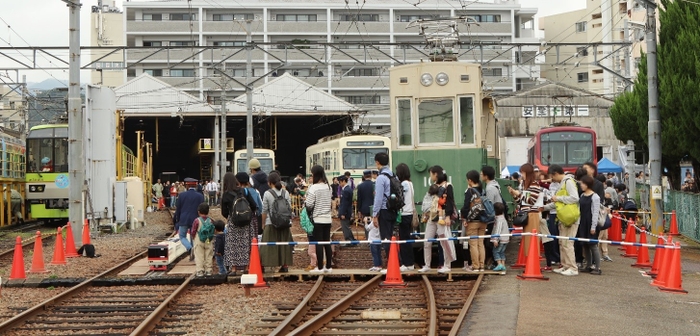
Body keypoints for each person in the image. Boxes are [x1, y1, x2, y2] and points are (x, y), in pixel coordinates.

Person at [542, 165, 580, 276]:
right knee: (562, 243)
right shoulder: (563, 183)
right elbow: (557, 203)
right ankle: (565, 265)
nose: (552, 180)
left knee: (568, 243)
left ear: (556, 173)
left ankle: (573, 268)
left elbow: (575, 198)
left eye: (552, 177)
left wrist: (558, 198)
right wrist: (544, 208)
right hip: (564, 217)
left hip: (571, 217)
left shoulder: (568, 181)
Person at [419, 166, 457, 274]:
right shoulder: (434, 186)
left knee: (444, 241)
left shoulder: (448, 186)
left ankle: (447, 265)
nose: (430, 176)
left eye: (431, 174)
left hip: (442, 217)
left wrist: (448, 216)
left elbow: (449, 202)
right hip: (432, 216)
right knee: (427, 241)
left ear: (436, 174)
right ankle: (427, 265)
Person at [508, 163, 550, 257]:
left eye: (522, 173)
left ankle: (533, 262)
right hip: (527, 214)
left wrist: (518, 194)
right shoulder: (526, 185)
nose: (521, 175)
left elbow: (531, 201)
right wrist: (514, 195)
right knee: (528, 240)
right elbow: (523, 202)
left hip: (532, 214)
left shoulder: (534, 185)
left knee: (531, 240)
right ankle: (529, 262)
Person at [222, 172, 259, 275]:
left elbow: (224, 212)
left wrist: (232, 217)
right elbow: (254, 206)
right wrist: (246, 215)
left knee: (233, 245)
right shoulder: (244, 191)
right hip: (247, 223)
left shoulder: (226, 194)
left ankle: (233, 269)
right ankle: (246, 267)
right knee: (246, 244)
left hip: (234, 223)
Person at [261, 172, 294, 273]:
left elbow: (264, 211)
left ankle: (266, 265)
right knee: (284, 244)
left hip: (271, 222)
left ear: (270, 182)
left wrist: (263, 223)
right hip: (284, 223)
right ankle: (284, 265)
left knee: (267, 245)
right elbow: (289, 208)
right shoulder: (286, 193)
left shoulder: (267, 193)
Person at [306, 165, 334, 273]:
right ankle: (328, 266)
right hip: (328, 219)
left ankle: (320, 268)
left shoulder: (314, 188)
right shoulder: (328, 187)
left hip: (318, 219)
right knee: (327, 242)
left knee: (318, 243)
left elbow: (309, 204)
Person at [372, 152, 397, 259]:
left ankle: (392, 264)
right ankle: (396, 262)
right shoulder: (393, 175)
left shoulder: (381, 177)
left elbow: (378, 198)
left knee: (386, 239)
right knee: (392, 237)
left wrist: (374, 214)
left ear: (377, 162)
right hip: (393, 209)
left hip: (384, 210)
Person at [461, 170, 487, 272]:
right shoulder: (482, 190)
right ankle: (481, 266)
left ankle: (475, 266)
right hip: (483, 220)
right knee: (481, 243)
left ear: (470, 180)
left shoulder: (470, 191)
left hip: (472, 221)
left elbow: (466, 206)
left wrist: (465, 218)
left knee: (473, 244)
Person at [578, 175, 602, 275]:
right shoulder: (582, 195)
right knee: (585, 245)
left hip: (590, 222)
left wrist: (593, 226)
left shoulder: (595, 196)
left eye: (583, 183)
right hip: (583, 222)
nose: (581, 185)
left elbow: (595, 212)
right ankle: (588, 265)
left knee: (593, 245)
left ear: (588, 184)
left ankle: (598, 267)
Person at [174, 178, 204, 255]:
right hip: (196, 219)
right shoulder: (200, 196)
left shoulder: (181, 195)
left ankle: (189, 248)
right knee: (193, 236)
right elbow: (203, 208)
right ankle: (194, 252)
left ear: (187, 186)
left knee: (182, 236)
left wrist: (177, 220)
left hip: (184, 219)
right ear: (196, 185)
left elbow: (178, 209)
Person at [480, 166, 502, 268]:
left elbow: (489, 205)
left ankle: (494, 262)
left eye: (481, 173)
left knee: (490, 241)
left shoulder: (490, 188)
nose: (480, 175)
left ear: (486, 176)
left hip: (493, 218)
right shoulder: (495, 185)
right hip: (497, 216)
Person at [396, 163, 415, 271]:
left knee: (404, 239)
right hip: (409, 213)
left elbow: (400, 197)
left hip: (404, 214)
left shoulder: (404, 184)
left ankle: (407, 264)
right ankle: (409, 263)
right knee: (406, 239)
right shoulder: (410, 183)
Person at [190, 203, 214, 276]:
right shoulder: (211, 220)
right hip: (208, 240)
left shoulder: (197, 220)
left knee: (199, 255)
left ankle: (200, 270)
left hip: (199, 240)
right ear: (208, 211)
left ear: (198, 212)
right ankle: (208, 270)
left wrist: (193, 237)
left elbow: (193, 231)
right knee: (209, 255)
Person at [249, 158, 269, 234]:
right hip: (267, 205)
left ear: (252, 169)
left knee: (257, 230)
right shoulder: (266, 177)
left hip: (257, 206)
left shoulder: (252, 179)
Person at [490, 202, 509, 272]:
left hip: (500, 239)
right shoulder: (503, 218)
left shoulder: (499, 220)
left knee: (496, 251)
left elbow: (498, 230)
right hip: (506, 239)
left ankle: (499, 264)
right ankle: (503, 265)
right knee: (502, 252)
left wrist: (495, 239)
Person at [337, 176, 356, 241]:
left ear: (343, 181)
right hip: (347, 211)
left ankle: (349, 240)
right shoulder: (348, 189)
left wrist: (342, 213)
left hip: (345, 212)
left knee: (345, 227)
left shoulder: (346, 190)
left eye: (340, 182)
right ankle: (351, 239)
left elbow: (344, 203)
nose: (339, 184)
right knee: (346, 226)